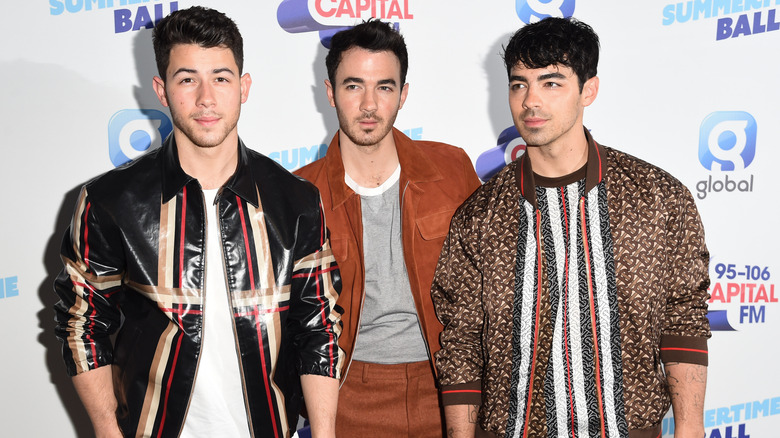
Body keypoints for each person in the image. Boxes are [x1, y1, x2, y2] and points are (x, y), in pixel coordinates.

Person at [53, 7, 342, 438]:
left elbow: (319, 325)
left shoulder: (294, 200)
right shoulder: (111, 201)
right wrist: (108, 431)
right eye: (187, 79)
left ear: (244, 87)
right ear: (162, 89)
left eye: (221, 78)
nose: (206, 97)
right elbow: (82, 322)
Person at [432, 17, 710, 438]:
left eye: (552, 83)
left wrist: (690, 427)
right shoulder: (481, 215)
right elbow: (462, 343)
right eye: (519, 84)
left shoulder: (657, 198)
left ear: (589, 89)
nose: (530, 101)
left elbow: (683, 320)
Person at [295, 19, 481, 438]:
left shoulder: (451, 170)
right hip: (350, 394)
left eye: (384, 87)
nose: (369, 105)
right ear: (330, 93)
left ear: (403, 94)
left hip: (450, 385)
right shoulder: (301, 193)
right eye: (353, 85)